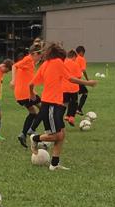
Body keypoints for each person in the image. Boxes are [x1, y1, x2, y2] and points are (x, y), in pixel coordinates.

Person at [30, 42, 96, 170]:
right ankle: (35, 138)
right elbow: (70, 78)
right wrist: (88, 83)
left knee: (62, 134)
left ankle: (54, 164)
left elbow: (31, 84)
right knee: (57, 136)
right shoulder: (58, 63)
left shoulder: (45, 64)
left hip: (53, 104)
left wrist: (31, 94)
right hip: (51, 105)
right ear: (60, 55)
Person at [14, 44, 42, 147]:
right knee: (44, 109)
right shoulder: (28, 59)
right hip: (26, 94)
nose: (40, 58)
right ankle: (32, 130)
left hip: (21, 94)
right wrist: (13, 80)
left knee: (33, 112)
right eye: (39, 55)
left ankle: (23, 134)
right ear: (34, 54)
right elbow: (14, 66)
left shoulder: (30, 62)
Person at [63, 50, 83, 126]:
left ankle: (66, 116)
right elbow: (79, 76)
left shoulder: (63, 63)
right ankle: (71, 118)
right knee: (74, 102)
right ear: (74, 56)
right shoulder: (75, 64)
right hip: (74, 87)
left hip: (64, 87)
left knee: (65, 103)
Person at [75, 46, 91, 112]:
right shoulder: (82, 59)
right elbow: (83, 70)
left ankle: (73, 110)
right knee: (85, 92)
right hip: (76, 80)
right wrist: (87, 80)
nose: (84, 54)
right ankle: (78, 109)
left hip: (69, 79)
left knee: (74, 94)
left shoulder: (73, 58)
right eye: (83, 53)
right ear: (81, 52)